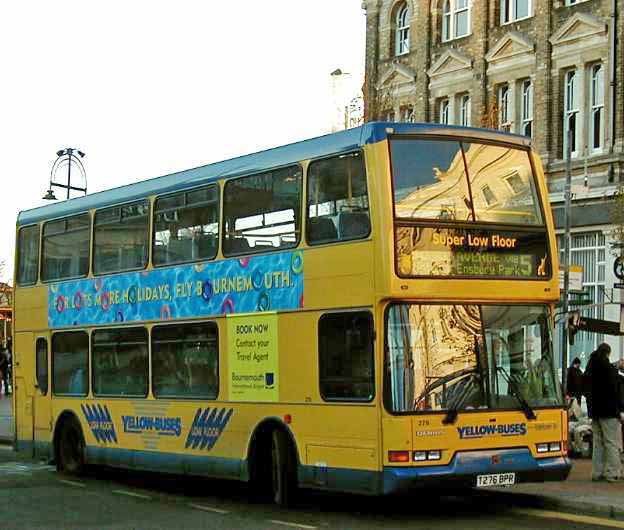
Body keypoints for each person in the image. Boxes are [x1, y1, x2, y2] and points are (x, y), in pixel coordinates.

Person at [584, 343, 622, 482]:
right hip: (609, 411)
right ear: (608, 353)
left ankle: (596, 472)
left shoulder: (591, 366)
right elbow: (615, 390)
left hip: (594, 411)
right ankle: (612, 472)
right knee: (611, 442)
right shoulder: (608, 368)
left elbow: (584, 387)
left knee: (598, 443)